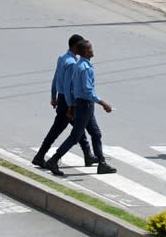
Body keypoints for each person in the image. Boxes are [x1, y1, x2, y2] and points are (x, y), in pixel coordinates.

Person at [45, 40, 117, 176]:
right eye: (90, 49)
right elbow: (88, 91)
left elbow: (70, 88)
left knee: (96, 134)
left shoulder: (80, 65)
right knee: (75, 136)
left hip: (83, 105)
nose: (92, 50)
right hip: (85, 105)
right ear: (85, 52)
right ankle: (53, 160)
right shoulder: (84, 68)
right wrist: (104, 104)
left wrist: (71, 106)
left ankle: (102, 163)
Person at [32, 34, 97, 168]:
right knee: (58, 131)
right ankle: (41, 156)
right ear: (75, 47)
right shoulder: (73, 63)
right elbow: (68, 87)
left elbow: (56, 78)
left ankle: (88, 155)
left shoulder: (62, 58)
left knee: (79, 130)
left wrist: (53, 96)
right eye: (81, 45)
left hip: (63, 99)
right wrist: (70, 106)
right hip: (68, 101)